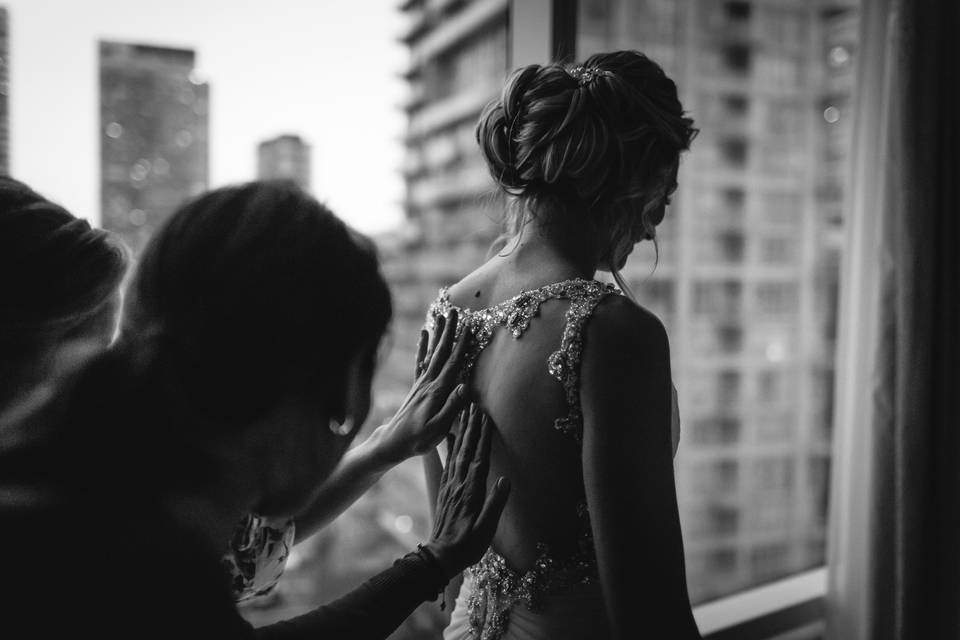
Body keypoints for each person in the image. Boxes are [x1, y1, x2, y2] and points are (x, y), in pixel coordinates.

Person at [0, 180, 510, 638]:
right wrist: (430, 561)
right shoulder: (148, 580)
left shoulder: (84, 512)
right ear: (327, 397)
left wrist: (389, 466)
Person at [420, 51, 701, 639]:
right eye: (663, 199)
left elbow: (444, 546)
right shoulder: (614, 333)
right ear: (633, 181)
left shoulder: (446, 314)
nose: (653, 227)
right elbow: (651, 615)